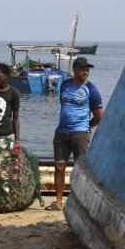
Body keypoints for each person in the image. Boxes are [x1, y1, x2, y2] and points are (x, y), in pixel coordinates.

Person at [50, 57, 103, 211]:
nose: (86, 71)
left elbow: (99, 116)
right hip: (61, 132)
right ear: (74, 69)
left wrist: (86, 126)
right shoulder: (65, 85)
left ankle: (81, 202)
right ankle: (58, 202)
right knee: (59, 167)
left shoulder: (92, 90)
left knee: (81, 169)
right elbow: (63, 104)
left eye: (88, 69)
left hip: (80, 133)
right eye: (82, 68)